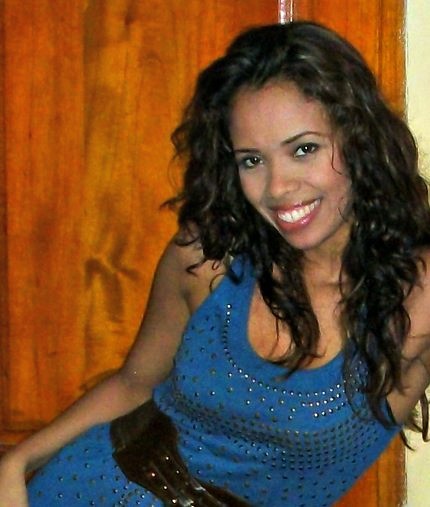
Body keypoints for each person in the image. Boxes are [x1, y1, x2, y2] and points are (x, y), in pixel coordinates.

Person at [1, 20, 430, 507]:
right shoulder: (209, 260)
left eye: (304, 149)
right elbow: (135, 383)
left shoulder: (414, 294)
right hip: (86, 487)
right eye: (252, 160)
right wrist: (16, 463)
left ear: (359, 141)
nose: (277, 187)